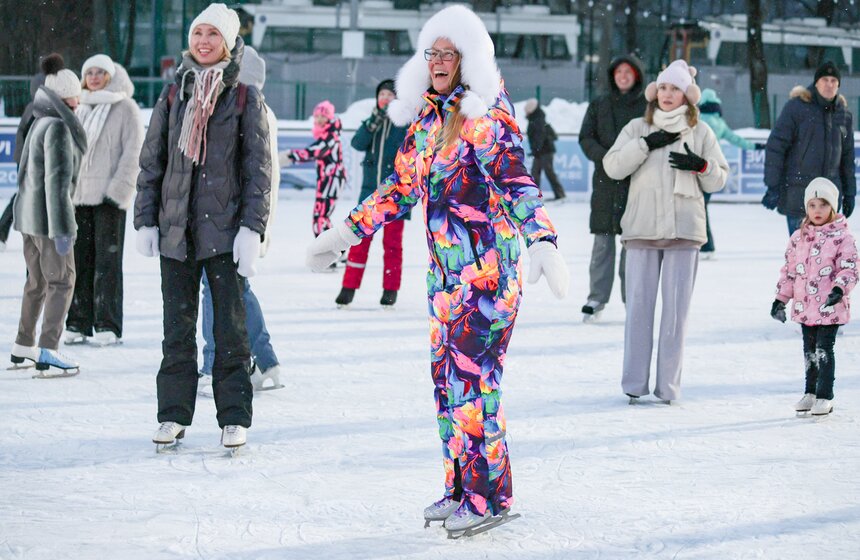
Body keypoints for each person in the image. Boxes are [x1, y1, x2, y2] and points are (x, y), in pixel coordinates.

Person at [305, 4, 569, 534]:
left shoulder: (487, 119)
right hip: (446, 281)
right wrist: (344, 233)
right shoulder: (427, 121)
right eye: (433, 52)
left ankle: (488, 497)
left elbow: (518, 185)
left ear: (470, 60)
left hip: (490, 277)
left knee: (475, 387)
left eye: (450, 53)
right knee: (447, 385)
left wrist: (543, 240)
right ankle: (458, 487)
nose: (440, 61)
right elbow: (399, 188)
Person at [134, 3, 272, 451]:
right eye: (199, 34)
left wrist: (253, 229)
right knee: (176, 331)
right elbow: (152, 162)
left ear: (229, 43)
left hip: (224, 233)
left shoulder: (245, 97)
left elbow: (257, 171)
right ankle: (173, 416)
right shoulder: (175, 94)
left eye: (214, 35)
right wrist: (145, 220)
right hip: (176, 233)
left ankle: (234, 416)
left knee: (230, 332)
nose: (204, 42)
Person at [603, 59, 728, 404]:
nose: (667, 94)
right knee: (639, 310)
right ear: (654, 92)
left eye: (675, 88)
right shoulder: (636, 128)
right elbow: (612, 167)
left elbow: (720, 177)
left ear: (687, 96)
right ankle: (634, 383)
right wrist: (646, 145)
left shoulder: (701, 131)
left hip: (684, 231)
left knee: (675, 316)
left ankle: (668, 386)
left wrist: (701, 166)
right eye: (663, 87)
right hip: (641, 228)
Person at [199, 46, 282, 393]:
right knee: (230, 289)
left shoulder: (246, 110)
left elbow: (257, 175)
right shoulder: (251, 109)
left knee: (219, 290)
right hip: (233, 216)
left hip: (234, 218)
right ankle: (263, 361)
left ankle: (216, 363)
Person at [9, 54, 85, 375]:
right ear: (68, 97)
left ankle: (23, 344)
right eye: (77, 94)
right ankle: (49, 349)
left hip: (29, 219)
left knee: (37, 282)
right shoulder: (58, 127)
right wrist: (64, 230)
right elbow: (56, 185)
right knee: (62, 280)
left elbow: (24, 172)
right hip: (49, 222)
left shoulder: (39, 120)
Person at [63, 55, 143, 346]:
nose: (95, 77)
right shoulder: (78, 107)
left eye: (100, 73)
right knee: (78, 262)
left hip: (109, 199)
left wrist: (117, 192)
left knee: (107, 264)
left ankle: (108, 324)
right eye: (90, 72)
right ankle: (78, 321)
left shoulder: (125, 108)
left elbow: (133, 153)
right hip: (78, 198)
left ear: (110, 76)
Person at [770, 178, 857, 417]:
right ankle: (810, 392)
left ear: (833, 207)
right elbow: (789, 271)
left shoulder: (842, 237)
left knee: (823, 349)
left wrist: (839, 289)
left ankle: (825, 395)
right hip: (805, 306)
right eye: (812, 205)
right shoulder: (799, 237)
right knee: (808, 350)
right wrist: (780, 299)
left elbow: (849, 268)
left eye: (823, 205)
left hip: (830, 306)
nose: (817, 211)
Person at [578, 54, 646, 322]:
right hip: (605, 184)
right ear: (612, 76)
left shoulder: (647, 106)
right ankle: (596, 298)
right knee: (602, 245)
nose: (623, 76)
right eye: (619, 72)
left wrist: (631, 159)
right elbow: (586, 137)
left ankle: (633, 300)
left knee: (633, 246)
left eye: (628, 72)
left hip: (637, 182)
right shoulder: (599, 104)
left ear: (637, 75)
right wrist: (605, 157)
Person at [335, 79, 409, 308]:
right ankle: (348, 288)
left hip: (396, 197)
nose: (385, 98)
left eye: (390, 95)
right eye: (382, 94)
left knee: (392, 245)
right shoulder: (372, 123)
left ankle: (390, 289)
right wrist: (372, 122)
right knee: (359, 242)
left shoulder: (404, 125)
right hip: (369, 196)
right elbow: (357, 143)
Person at [763, 61, 855, 235]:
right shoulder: (797, 108)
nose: (829, 84)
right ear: (816, 82)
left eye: (834, 81)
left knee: (825, 257)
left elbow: (847, 158)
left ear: (838, 85)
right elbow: (776, 146)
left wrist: (850, 193)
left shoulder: (844, 115)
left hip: (828, 199)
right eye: (825, 79)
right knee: (801, 256)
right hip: (799, 196)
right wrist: (772, 185)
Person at [697, 88, 764, 260]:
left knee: (697, 209)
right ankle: (705, 246)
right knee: (701, 209)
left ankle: (704, 246)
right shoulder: (719, 123)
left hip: (697, 169)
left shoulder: (697, 120)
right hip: (712, 170)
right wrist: (755, 146)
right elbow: (735, 139)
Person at [280, 100, 346, 239]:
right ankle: (334, 249)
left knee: (321, 217)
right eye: (317, 116)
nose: (319, 119)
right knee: (320, 217)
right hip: (326, 180)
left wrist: (291, 156)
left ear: (329, 118)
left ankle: (331, 249)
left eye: (323, 116)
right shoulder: (327, 134)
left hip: (332, 180)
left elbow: (316, 151)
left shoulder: (331, 135)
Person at [0, 67, 46, 252]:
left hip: (29, 161)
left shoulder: (34, 106)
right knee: (23, 198)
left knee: (23, 197)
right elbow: (28, 137)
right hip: (31, 162)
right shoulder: (38, 107)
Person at [523, 98, 565, 201]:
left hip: (545, 150)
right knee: (536, 172)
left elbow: (539, 136)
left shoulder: (537, 119)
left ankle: (559, 194)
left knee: (547, 172)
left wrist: (536, 149)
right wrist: (536, 149)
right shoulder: (536, 118)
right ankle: (535, 195)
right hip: (541, 150)